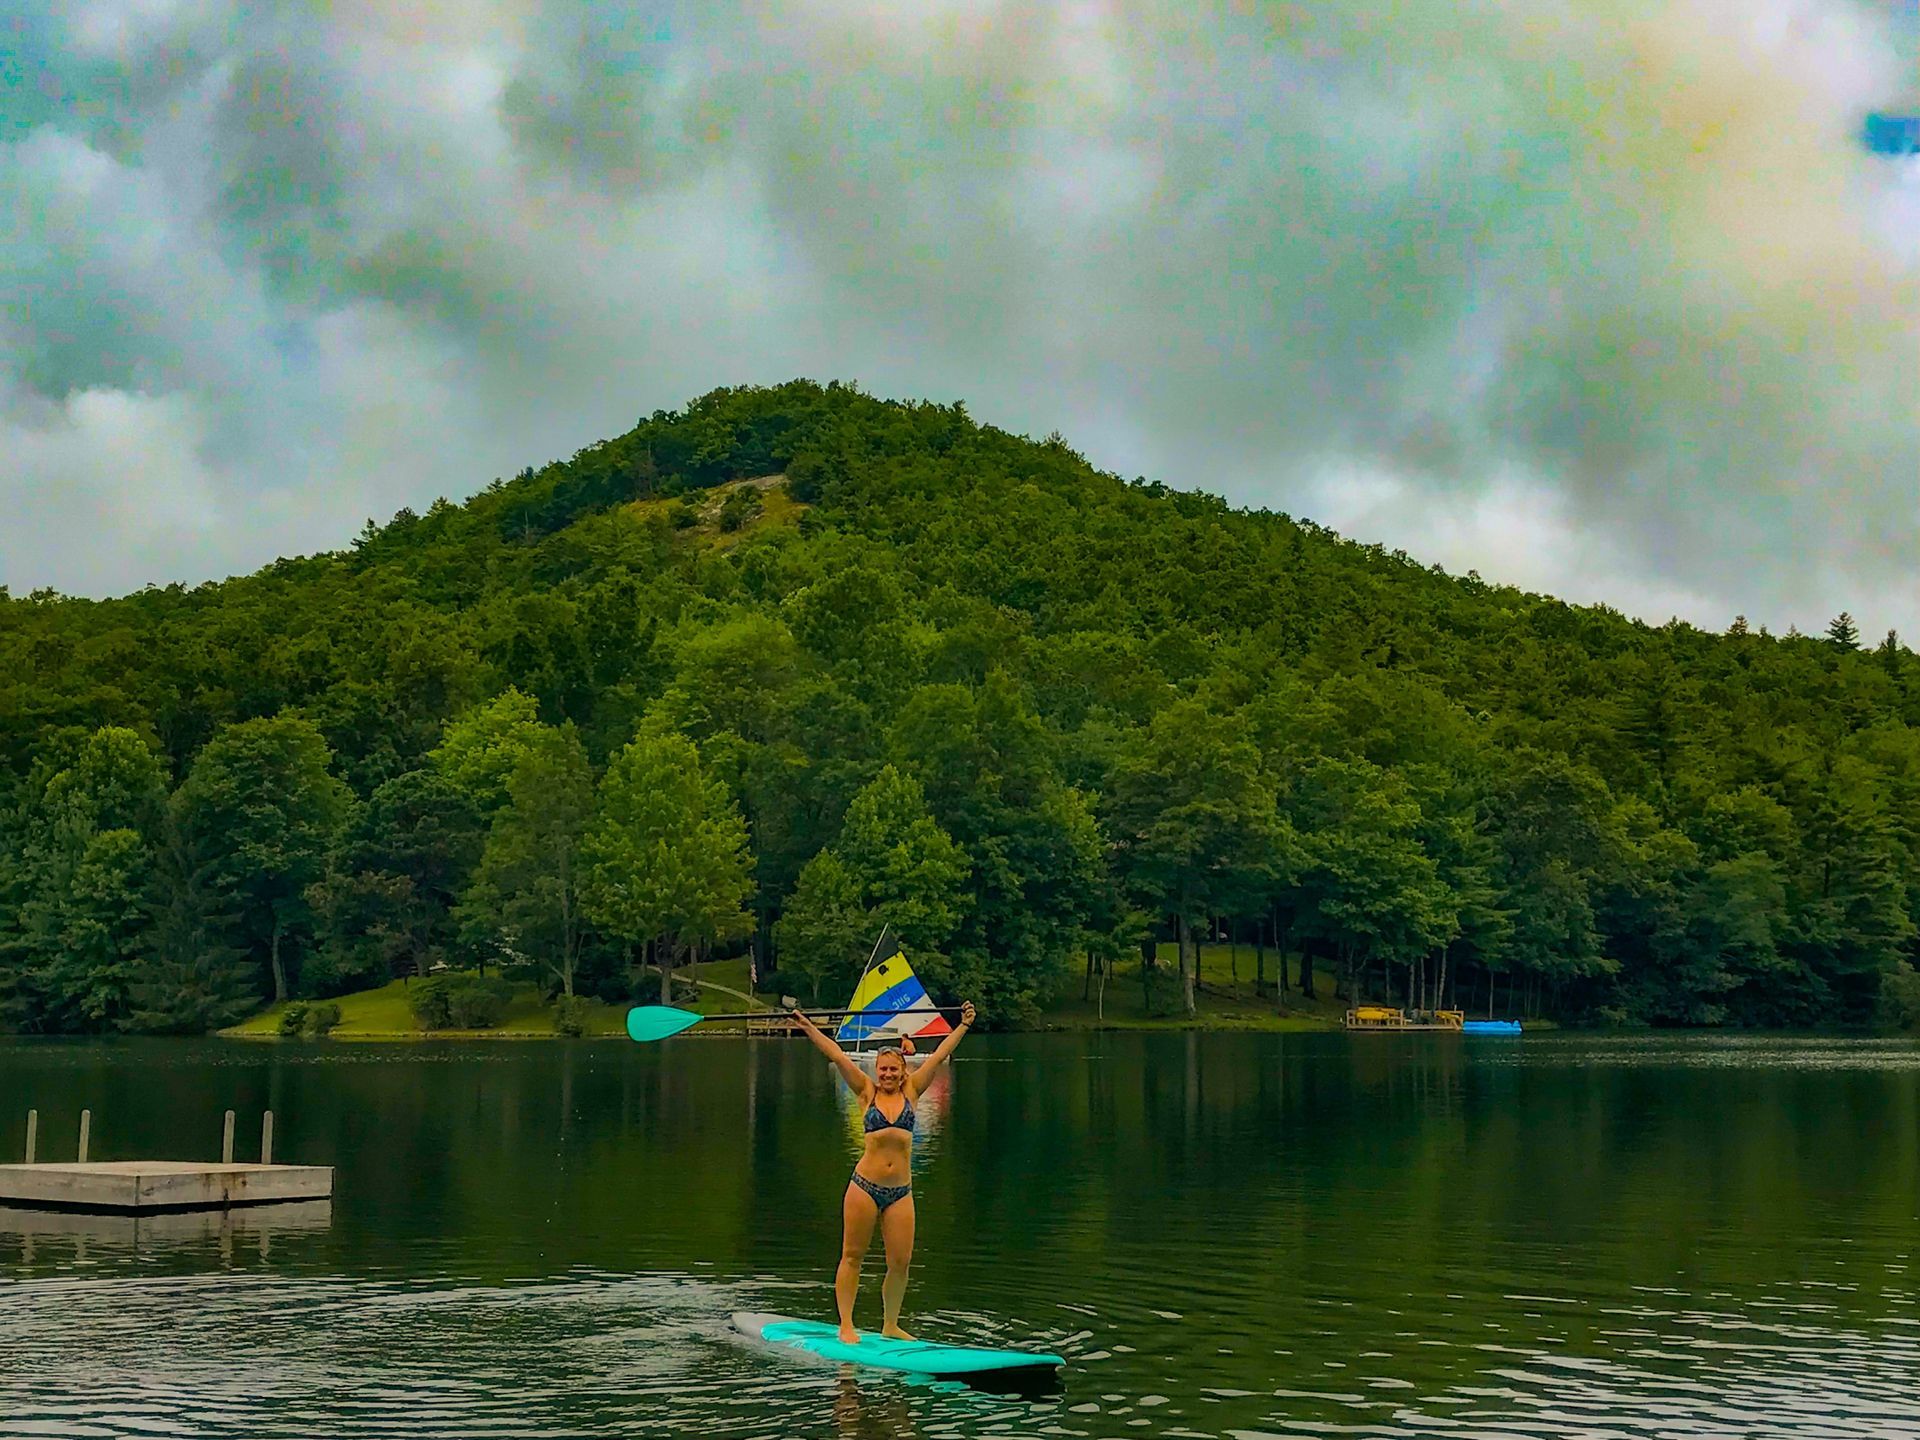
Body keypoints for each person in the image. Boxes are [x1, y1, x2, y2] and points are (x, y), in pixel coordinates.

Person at [790, 999, 977, 1343]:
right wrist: (807, 1027)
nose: (887, 1074)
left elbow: (937, 1055)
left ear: (903, 1071)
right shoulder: (865, 1092)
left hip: (901, 1192)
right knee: (852, 1255)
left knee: (901, 1262)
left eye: (893, 1070)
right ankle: (846, 1324)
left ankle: (890, 1324)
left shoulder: (914, 1090)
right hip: (864, 1187)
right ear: (877, 1070)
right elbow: (836, 1055)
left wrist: (964, 1025)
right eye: (883, 1069)